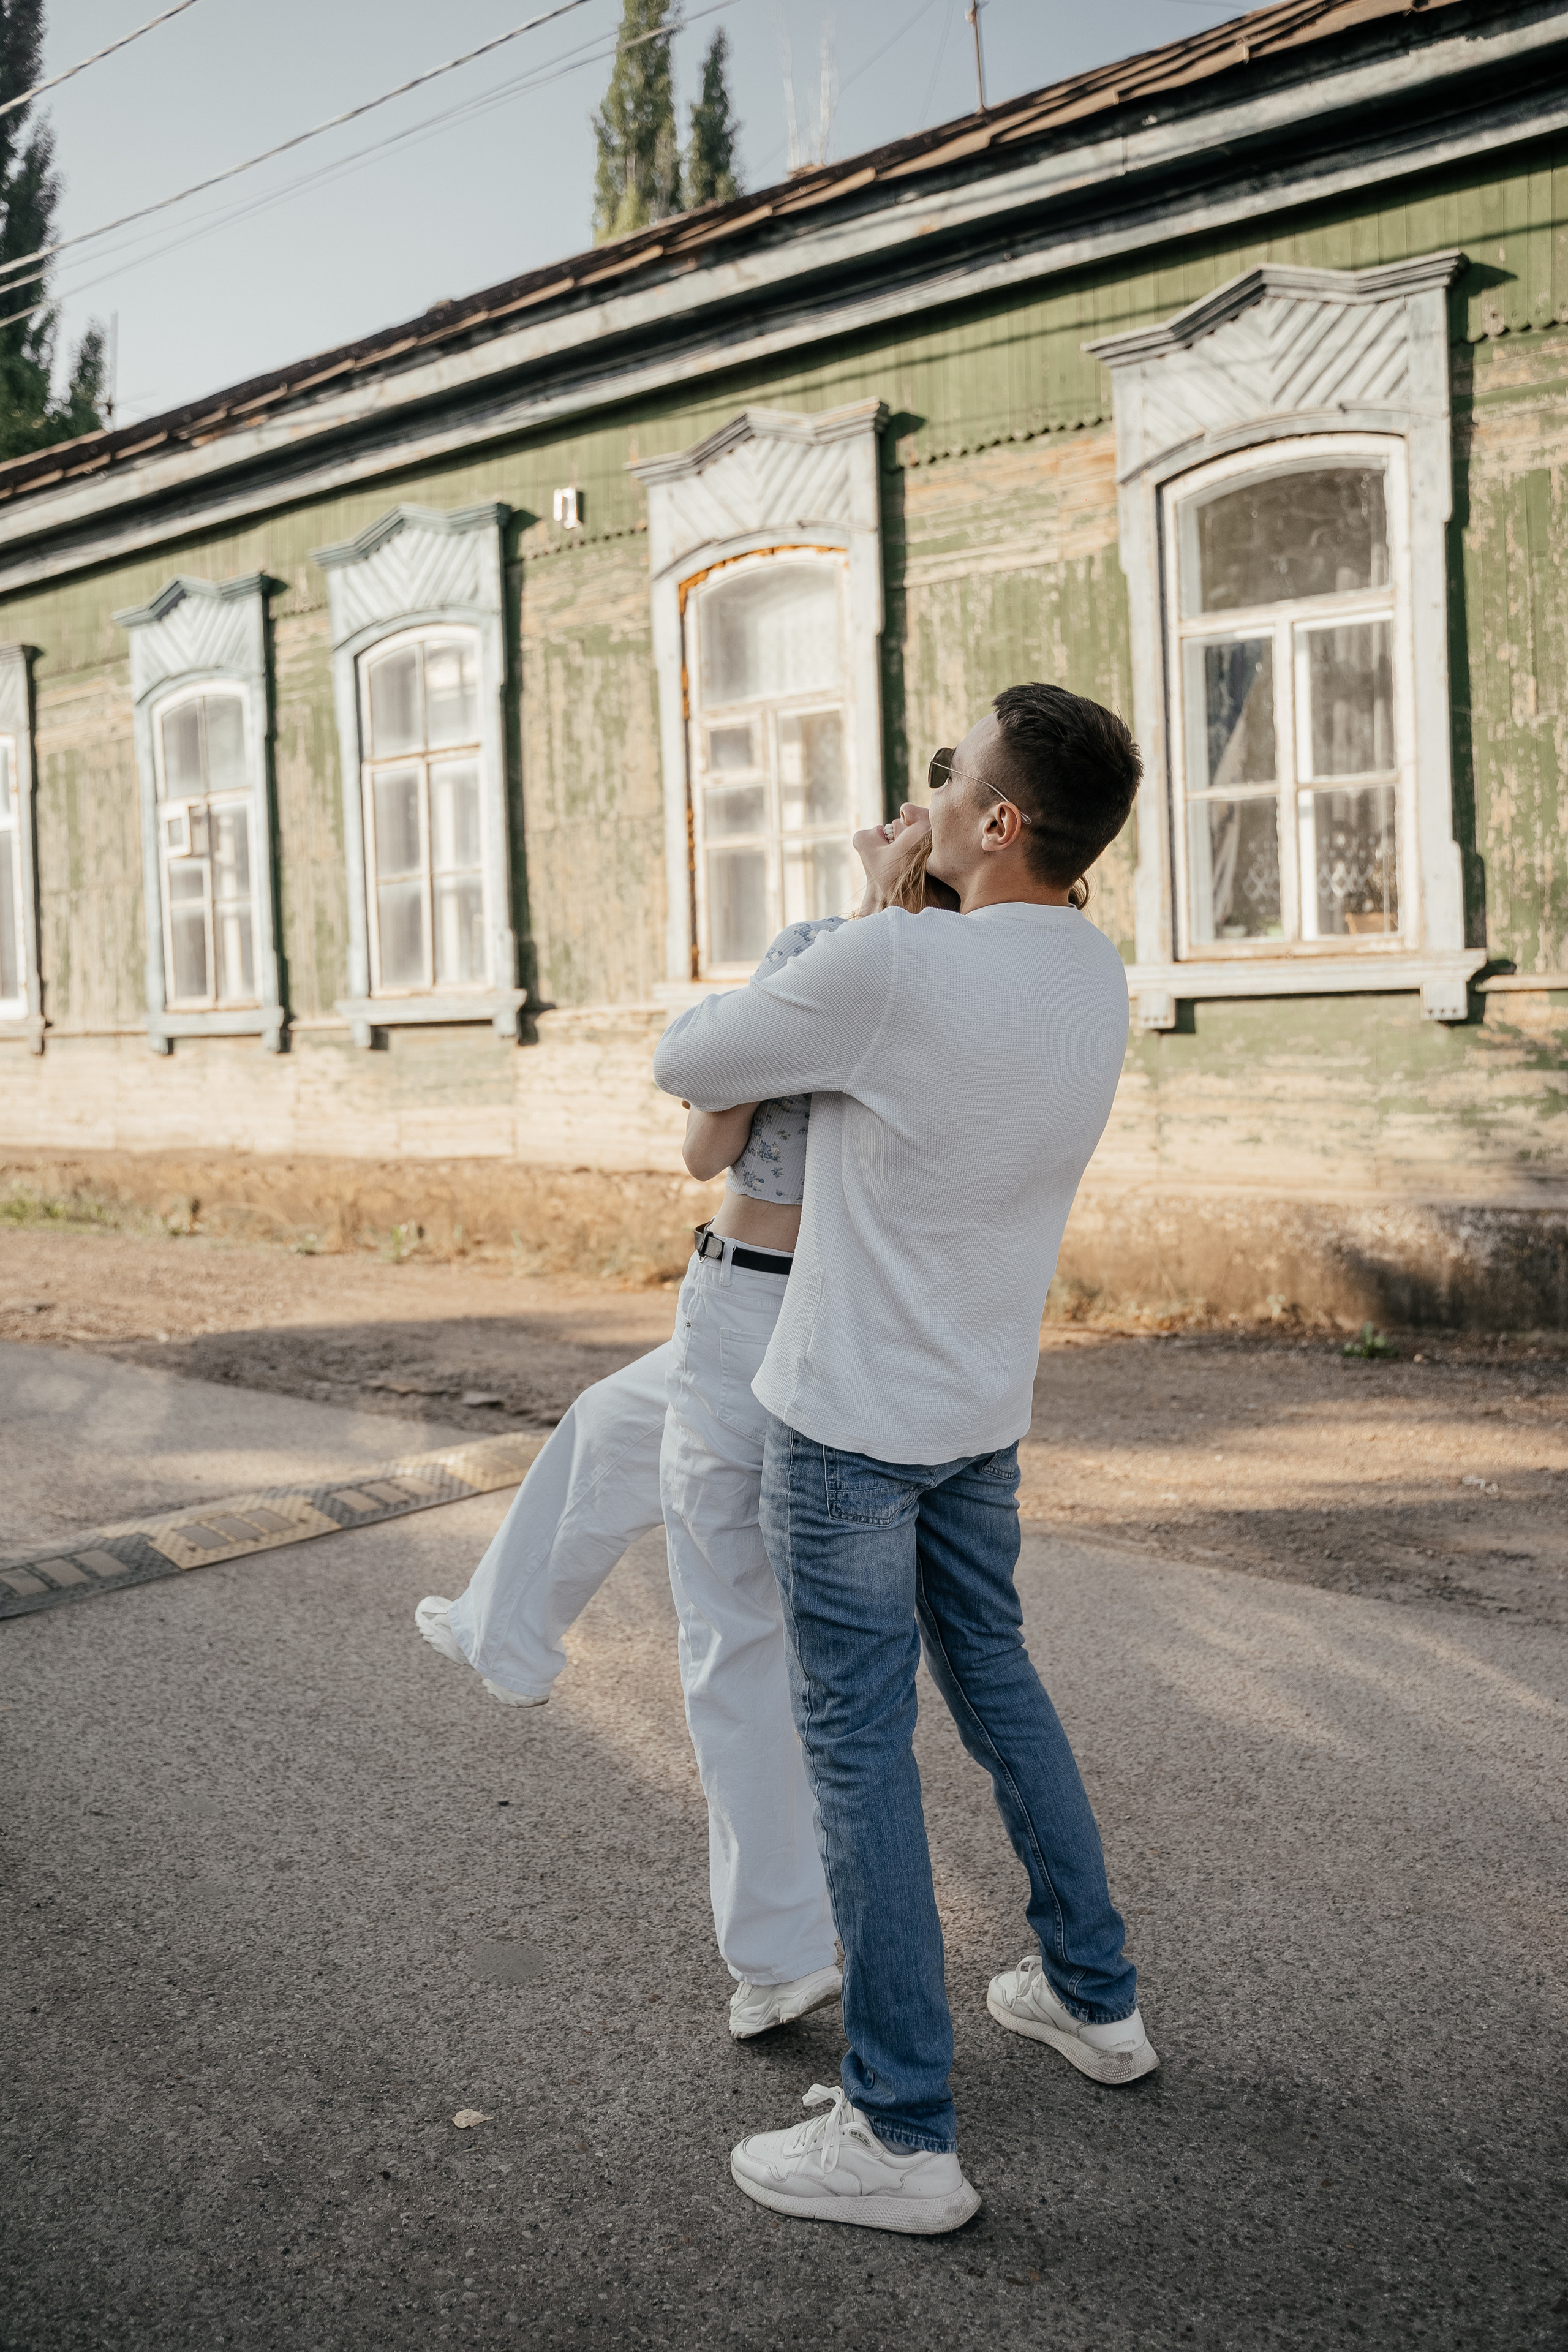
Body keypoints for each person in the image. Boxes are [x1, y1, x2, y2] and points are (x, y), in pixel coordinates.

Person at [651, 682, 1150, 2239]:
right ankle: (1092, 1994)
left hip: (847, 1425)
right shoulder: (1093, 972)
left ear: (998, 822)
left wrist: (868, 909)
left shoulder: (890, 959)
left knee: (856, 1751)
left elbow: (691, 1065)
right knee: (997, 1683)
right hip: (977, 1416)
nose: (924, 792)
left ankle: (899, 2127)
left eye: (948, 774)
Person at [415, 832, 957, 2038]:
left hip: (743, 1294)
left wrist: (841, 922)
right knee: (607, 1423)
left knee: (732, 1632)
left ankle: (776, 1950)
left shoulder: (815, 959)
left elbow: (701, 1146)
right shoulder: (966, 991)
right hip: (836, 1312)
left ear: (900, 851)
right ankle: (501, 1629)